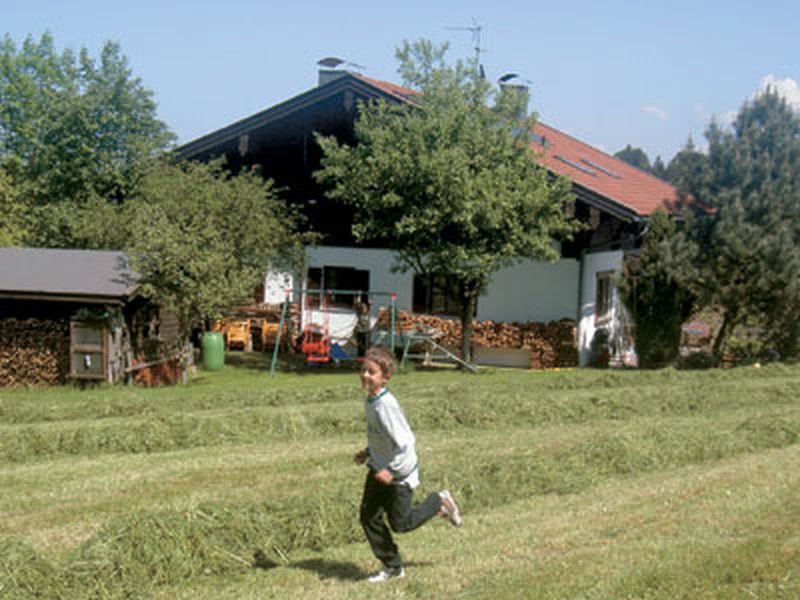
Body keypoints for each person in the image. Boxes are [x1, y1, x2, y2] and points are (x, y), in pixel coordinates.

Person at [353, 346, 462, 583]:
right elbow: (382, 436)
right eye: (363, 370)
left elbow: (405, 443)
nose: (365, 376)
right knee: (368, 517)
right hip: (378, 467)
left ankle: (438, 501)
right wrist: (368, 452)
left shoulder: (386, 405)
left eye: (371, 372)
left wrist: (391, 472)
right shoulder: (371, 400)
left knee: (401, 524)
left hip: (398, 473)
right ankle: (393, 567)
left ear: (385, 377)